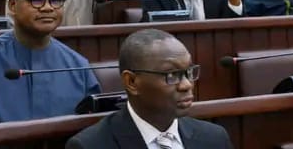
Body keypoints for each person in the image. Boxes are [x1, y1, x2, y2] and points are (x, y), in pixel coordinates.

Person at [66, 29, 233, 149]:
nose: (186, 85)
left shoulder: (214, 138)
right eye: (172, 75)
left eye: (189, 72)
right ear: (131, 82)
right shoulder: (90, 145)